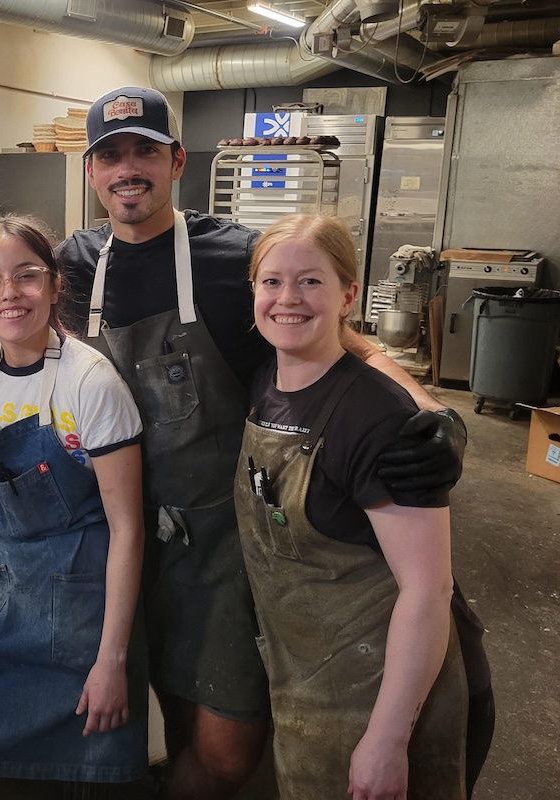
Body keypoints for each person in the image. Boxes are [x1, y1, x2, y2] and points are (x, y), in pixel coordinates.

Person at [56, 86, 469, 799]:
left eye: (145, 152)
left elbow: (330, 331)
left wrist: (433, 412)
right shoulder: (74, 264)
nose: (129, 169)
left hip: (217, 544)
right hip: (108, 536)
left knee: (225, 747)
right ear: (92, 172)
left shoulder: (232, 254)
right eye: (111, 155)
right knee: (125, 716)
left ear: (177, 161)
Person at [237, 213, 491, 799]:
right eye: (272, 282)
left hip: (382, 690)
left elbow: (428, 591)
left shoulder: (378, 418)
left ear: (349, 294)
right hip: (309, 676)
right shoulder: (266, 383)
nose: (287, 299)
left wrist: (387, 739)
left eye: (311, 282)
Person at [0, 215, 150, 798]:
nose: (8, 294)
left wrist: (112, 662)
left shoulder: (90, 383)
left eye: (25, 276)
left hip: (82, 621)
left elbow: (128, 529)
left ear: (54, 286)